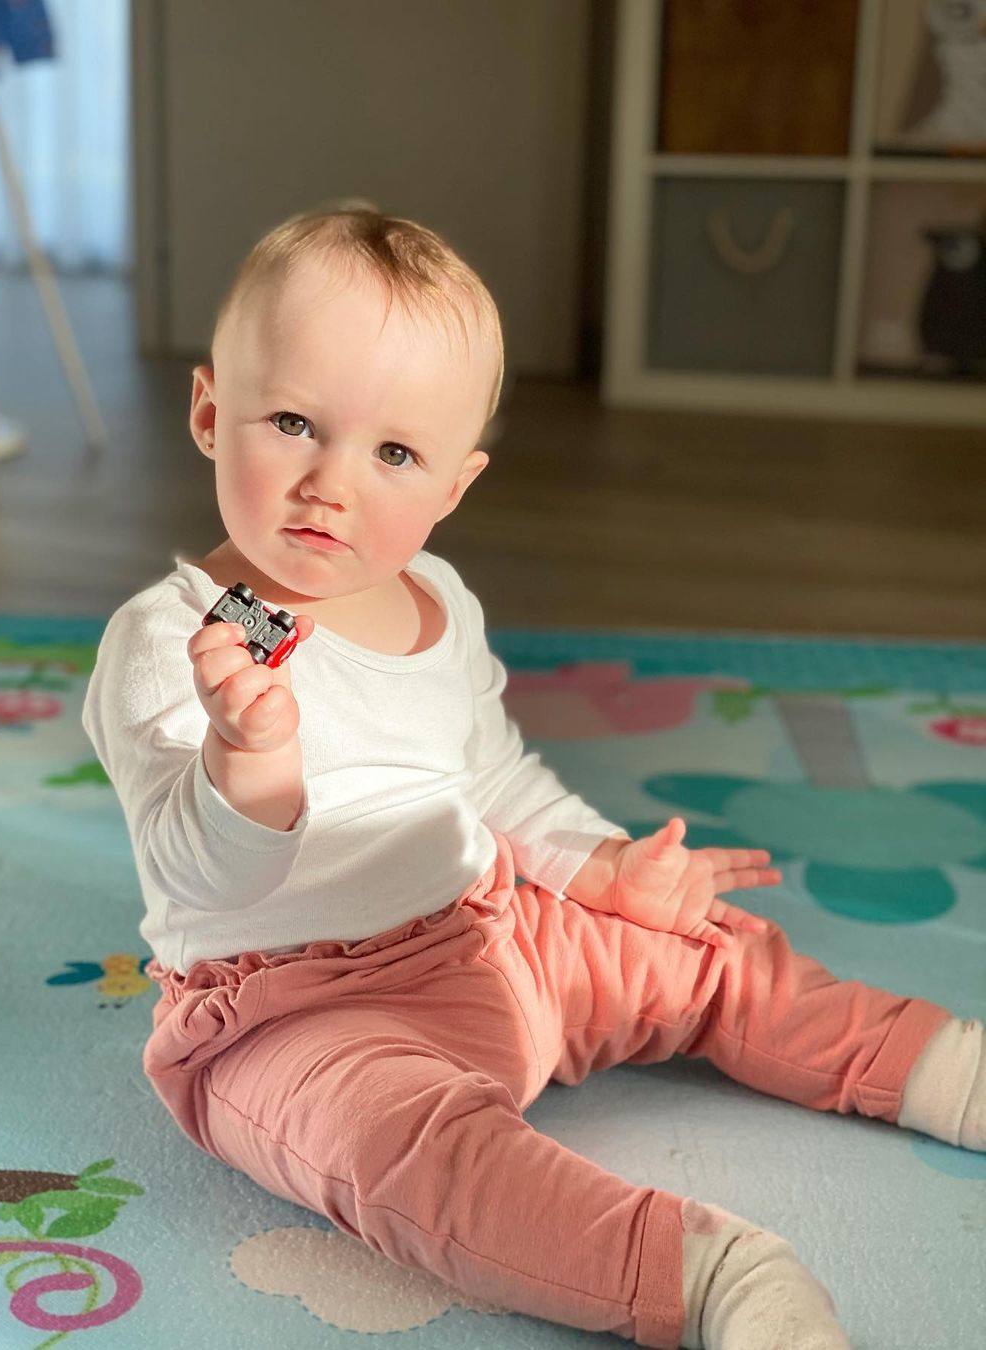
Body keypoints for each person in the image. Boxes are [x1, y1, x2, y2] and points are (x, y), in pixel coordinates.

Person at [81, 199, 984, 1349]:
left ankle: (942, 1068)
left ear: (454, 485)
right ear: (212, 412)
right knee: (408, 1161)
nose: (331, 484)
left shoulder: (436, 602)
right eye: (295, 422)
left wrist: (601, 868)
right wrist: (246, 761)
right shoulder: (181, 637)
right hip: (296, 1010)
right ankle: (707, 1275)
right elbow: (191, 871)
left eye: (393, 452)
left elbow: (494, 779)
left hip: (489, 937)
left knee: (709, 952)